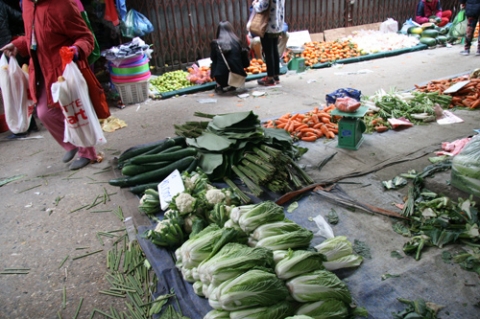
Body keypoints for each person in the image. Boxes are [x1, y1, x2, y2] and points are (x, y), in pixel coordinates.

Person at [0, 0, 97, 170]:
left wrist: (75, 50)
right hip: (42, 70)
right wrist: (18, 45)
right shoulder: (27, 5)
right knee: (44, 113)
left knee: (72, 112)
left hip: (64, 70)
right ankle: (72, 142)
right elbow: (34, 37)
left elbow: (86, 37)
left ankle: (88, 153)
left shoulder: (64, 4)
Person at [0, 0, 38, 138]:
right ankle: (29, 123)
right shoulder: (1, 4)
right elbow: (19, 17)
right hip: (9, 46)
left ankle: (22, 127)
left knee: (10, 89)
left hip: (6, 50)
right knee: (17, 88)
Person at [250, 0, 286, 86]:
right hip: (277, 25)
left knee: (268, 52)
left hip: (268, 25)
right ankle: (276, 76)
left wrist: (255, 4)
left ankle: (270, 78)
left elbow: (263, 6)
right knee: (274, 50)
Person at [210, 21, 248, 94]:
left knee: (214, 62)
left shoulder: (215, 43)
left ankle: (220, 85)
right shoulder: (237, 41)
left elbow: (212, 58)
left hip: (222, 78)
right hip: (238, 76)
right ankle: (232, 84)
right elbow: (245, 63)